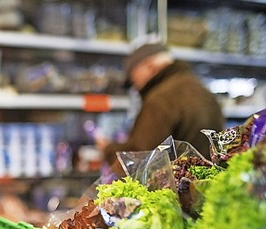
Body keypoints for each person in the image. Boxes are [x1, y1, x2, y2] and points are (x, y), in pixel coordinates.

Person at [96, 40, 224, 175]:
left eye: (134, 80)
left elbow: (140, 162)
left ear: (149, 66)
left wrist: (108, 149)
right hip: (205, 188)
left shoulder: (161, 98)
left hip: (176, 193)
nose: (136, 87)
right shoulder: (203, 91)